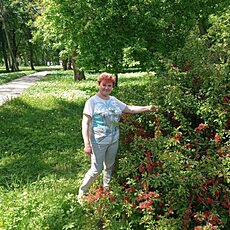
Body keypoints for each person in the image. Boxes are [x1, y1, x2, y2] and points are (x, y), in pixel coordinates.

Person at [78, 72, 158, 203]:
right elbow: (85, 123)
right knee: (96, 169)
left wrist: (148, 108)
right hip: (98, 142)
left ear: (112, 87)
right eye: (104, 85)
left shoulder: (114, 100)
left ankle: (106, 188)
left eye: (109, 86)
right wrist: (87, 144)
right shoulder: (92, 102)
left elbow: (129, 109)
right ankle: (83, 191)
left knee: (109, 166)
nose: (106, 88)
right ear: (99, 85)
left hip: (113, 140)